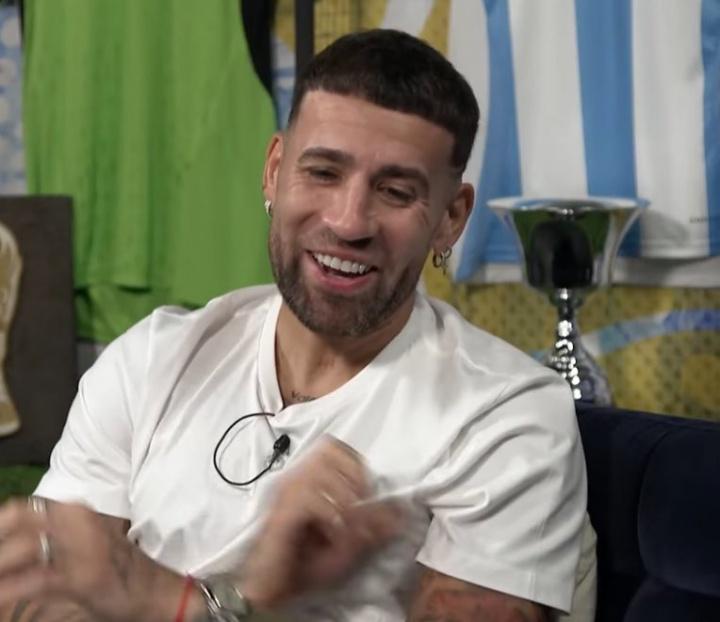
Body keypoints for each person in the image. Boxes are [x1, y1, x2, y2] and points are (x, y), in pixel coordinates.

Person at [0, 29, 595, 621]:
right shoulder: (153, 358)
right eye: (323, 173)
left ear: (450, 218)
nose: (348, 221)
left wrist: (183, 604)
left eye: (395, 191)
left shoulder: (505, 417)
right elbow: (37, 598)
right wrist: (243, 602)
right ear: (274, 170)